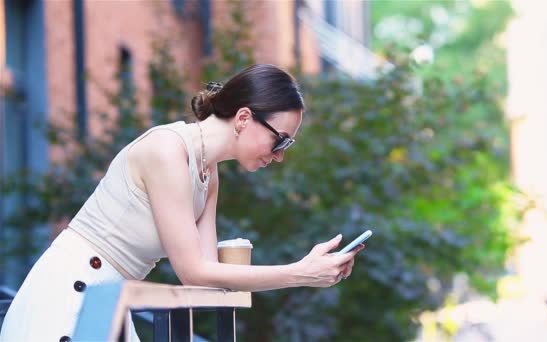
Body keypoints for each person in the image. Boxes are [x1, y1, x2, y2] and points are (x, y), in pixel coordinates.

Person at [0, 64, 363, 341]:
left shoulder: (208, 172)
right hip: (71, 291)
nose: (280, 156)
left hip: (109, 298)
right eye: (280, 141)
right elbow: (193, 270)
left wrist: (302, 272)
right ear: (243, 118)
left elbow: (204, 278)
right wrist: (299, 273)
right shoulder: (167, 150)